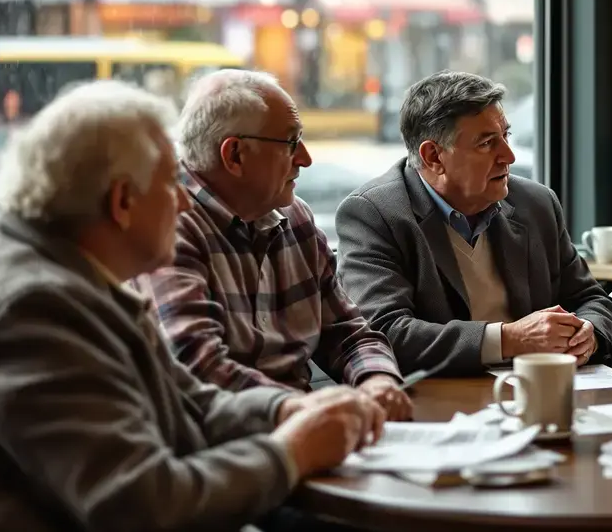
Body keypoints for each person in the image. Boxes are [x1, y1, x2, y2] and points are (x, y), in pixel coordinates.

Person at [0, 81, 387, 532]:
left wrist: (284, 411)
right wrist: (293, 451)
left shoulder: (69, 271)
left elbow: (190, 400)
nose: (185, 199)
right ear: (123, 202)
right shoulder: (32, 309)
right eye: (170, 181)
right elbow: (140, 506)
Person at [136, 70, 411, 420]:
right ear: (235, 155)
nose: (306, 159)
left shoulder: (294, 217)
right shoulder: (171, 223)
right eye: (291, 143)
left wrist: (378, 381)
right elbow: (198, 367)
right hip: (222, 440)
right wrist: (311, 408)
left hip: (306, 426)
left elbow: (349, 333)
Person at [335, 70, 612, 374]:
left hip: (536, 388)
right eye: (486, 143)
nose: (508, 156)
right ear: (433, 157)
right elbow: (383, 333)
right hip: (441, 402)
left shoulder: (536, 204)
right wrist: (510, 339)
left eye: (505, 136)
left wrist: (589, 334)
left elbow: (589, 297)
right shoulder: (374, 214)